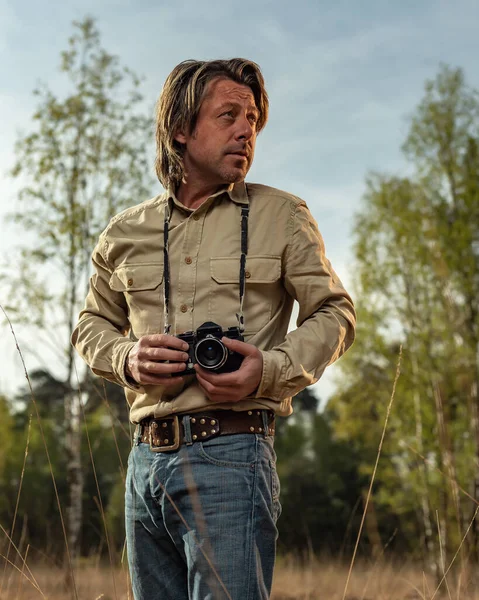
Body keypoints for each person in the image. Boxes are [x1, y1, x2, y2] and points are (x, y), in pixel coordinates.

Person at [72, 58, 356, 600]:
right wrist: (126, 357)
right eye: (228, 115)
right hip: (142, 465)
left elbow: (335, 313)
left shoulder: (284, 215)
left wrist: (267, 370)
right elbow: (91, 324)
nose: (246, 130)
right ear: (181, 128)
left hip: (233, 455)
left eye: (252, 118)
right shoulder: (124, 232)